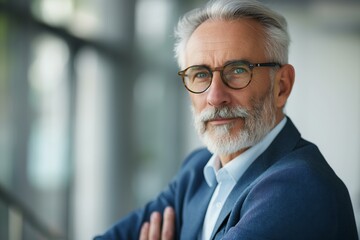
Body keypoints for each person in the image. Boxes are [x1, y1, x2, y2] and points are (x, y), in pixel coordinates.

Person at [94, 0, 359, 239]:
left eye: (237, 71)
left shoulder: (299, 187)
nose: (215, 96)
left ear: (281, 86)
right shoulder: (197, 171)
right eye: (200, 74)